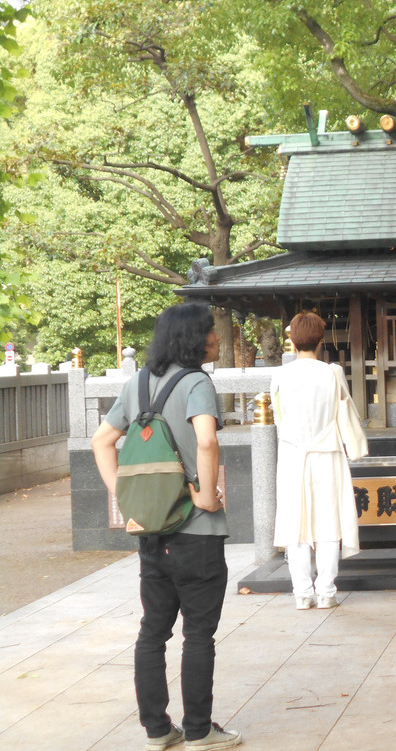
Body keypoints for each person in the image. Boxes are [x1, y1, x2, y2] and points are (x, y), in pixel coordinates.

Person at [91, 303, 242, 751]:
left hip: (152, 531)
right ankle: (199, 730)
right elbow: (207, 439)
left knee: (153, 630)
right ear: (194, 339)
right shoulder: (196, 382)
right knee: (198, 632)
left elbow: (102, 441)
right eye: (211, 333)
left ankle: (157, 730)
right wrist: (205, 493)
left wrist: (125, 495)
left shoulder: (137, 384)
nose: (217, 340)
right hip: (196, 531)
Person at [271, 311, 365, 610]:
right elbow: (345, 415)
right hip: (327, 454)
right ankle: (326, 592)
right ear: (320, 340)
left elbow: (278, 418)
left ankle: (302, 594)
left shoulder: (280, 376)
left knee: (296, 523)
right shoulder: (331, 373)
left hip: (293, 454)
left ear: (292, 340)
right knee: (327, 522)